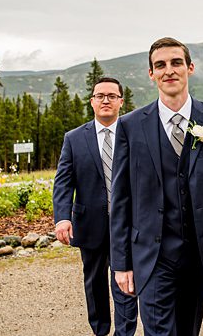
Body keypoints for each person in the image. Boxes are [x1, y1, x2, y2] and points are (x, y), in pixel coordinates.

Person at [110, 37, 203, 336]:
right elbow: (121, 198)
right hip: (152, 255)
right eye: (160, 65)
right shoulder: (130, 125)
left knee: (188, 329)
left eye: (176, 63)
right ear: (151, 74)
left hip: (199, 255)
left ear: (190, 67)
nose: (169, 71)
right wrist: (121, 263)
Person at [52, 77, 136, 336]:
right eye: (100, 96)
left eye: (112, 95)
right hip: (90, 225)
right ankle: (100, 330)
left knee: (126, 282)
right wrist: (62, 217)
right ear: (92, 102)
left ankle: (125, 333)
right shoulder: (74, 138)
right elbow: (64, 182)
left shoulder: (135, 134)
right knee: (95, 284)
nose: (106, 100)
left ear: (121, 101)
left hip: (129, 224)